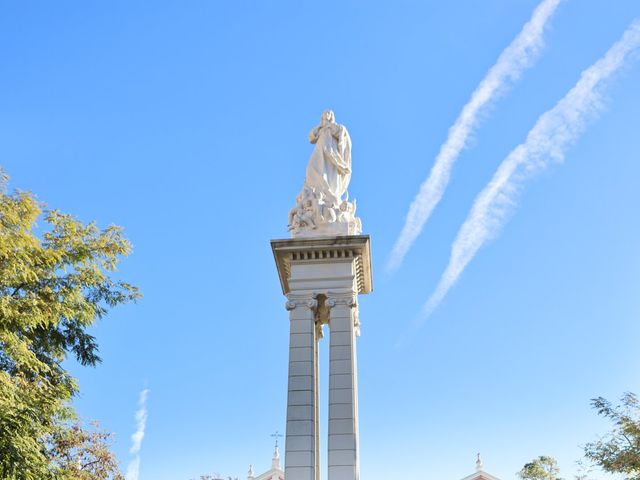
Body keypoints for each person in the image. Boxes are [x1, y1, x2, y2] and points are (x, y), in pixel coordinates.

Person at [305, 110, 352, 208]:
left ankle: (330, 195)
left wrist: (332, 127)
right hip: (320, 150)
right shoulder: (320, 128)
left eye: (329, 113)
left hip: (331, 152)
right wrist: (321, 127)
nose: (326, 114)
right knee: (312, 167)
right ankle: (317, 192)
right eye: (325, 113)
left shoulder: (335, 127)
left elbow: (342, 133)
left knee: (329, 173)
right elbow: (311, 137)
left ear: (332, 116)